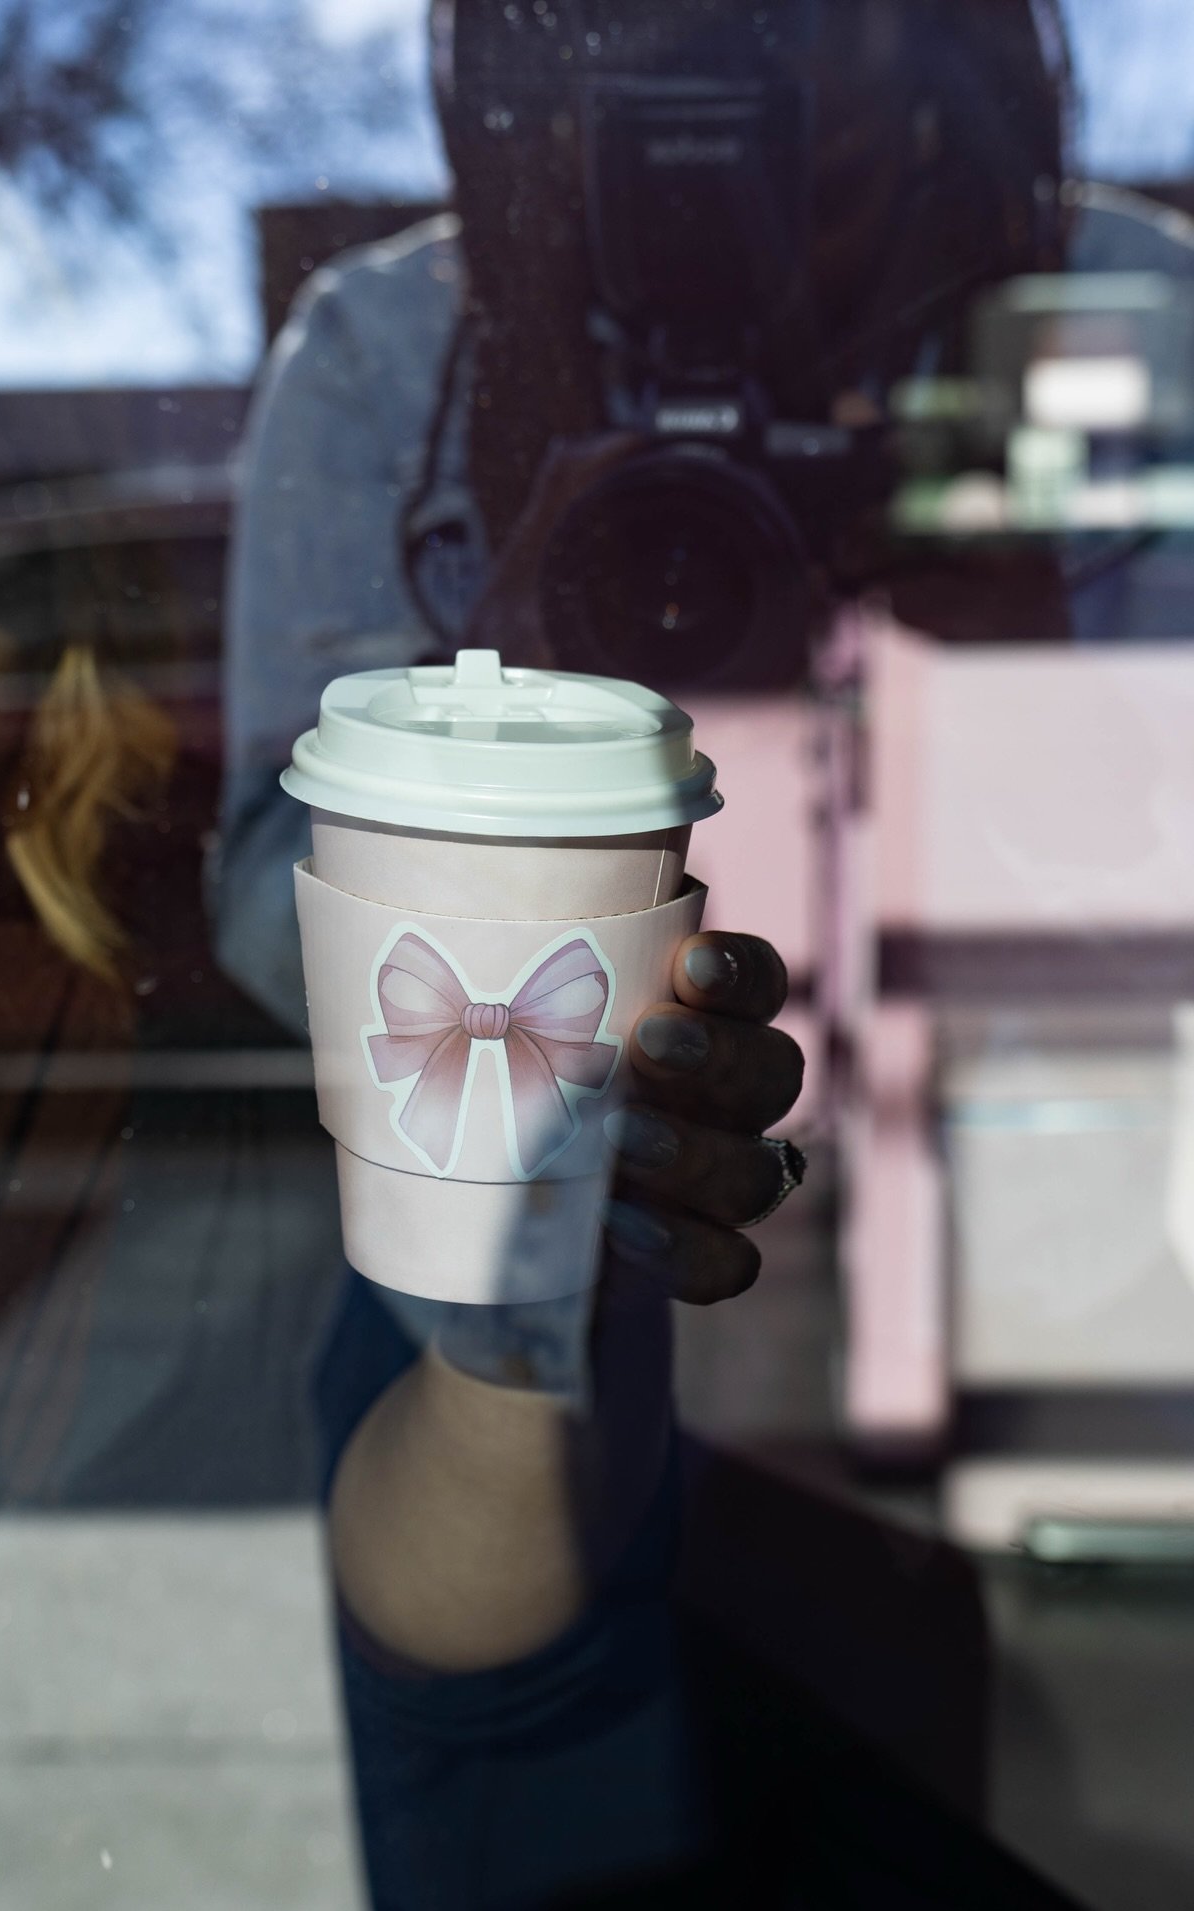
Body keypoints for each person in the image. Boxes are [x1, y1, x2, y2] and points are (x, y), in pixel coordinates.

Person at [215, 2, 1100, 1906]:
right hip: (522, 1289)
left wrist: (1046, 715)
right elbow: (272, 884)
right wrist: (508, 769)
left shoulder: (1107, 312)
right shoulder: (399, 351)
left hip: (1046, 1261)